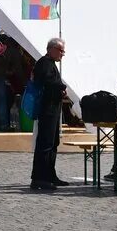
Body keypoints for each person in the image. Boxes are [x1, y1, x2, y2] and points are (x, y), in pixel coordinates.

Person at [29, 38, 68, 191]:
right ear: (51, 49)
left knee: (53, 143)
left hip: (53, 108)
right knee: (45, 144)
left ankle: (50, 174)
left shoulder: (50, 63)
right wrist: (62, 87)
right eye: (61, 50)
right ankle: (39, 178)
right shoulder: (44, 63)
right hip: (47, 109)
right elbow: (48, 81)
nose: (63, 54)